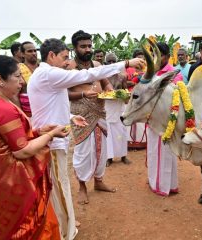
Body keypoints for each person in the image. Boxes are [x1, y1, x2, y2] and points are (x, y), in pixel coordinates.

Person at [28, 38, 144, 240]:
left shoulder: (46, 74)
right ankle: (66, 230)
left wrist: (71, 117)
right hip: (52, 141)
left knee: (57, 185)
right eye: (64, 58)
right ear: (51, 56)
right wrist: (125, 63)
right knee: (60, 185)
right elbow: (87, 75)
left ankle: (65, 219)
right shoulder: (48, 73)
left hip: (61, 131)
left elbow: (53, 106)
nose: (66, 62)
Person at [0, 55, 68, 240]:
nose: (22, 82)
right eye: (17, 76)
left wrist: (38, 131)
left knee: (8, 225)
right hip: (11, 181)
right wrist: (50, 135)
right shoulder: (0, 108)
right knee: (27, 227)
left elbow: (8, 139)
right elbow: (21, 150)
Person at [67, 31, 120, 207]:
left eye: (89, 45)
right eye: (83, 46)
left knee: (101, 149)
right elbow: (63, 93)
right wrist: (82, 93)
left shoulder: (97, 64)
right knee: (83, 152)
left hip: (100, 111)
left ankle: (98, 181)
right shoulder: (69, 67)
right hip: (81, 114)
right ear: (75, 48)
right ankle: (82, 186)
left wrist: (111, 90)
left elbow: (106, 83)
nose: (87, 49)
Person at [147, 42, 182, 196]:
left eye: (158, 55)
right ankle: (156, 181)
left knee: (167, 153)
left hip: (167, 121)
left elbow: (178, 98)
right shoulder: (150, 72)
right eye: (153, 55)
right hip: (152, 119)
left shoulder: (174, 74)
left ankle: (164, 185)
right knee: (154, 152)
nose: (155, 58)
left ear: (167, 57)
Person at [104, 53, 131, 167]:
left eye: (113, 61)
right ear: (105, 63)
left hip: (120, 107)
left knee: (122, 132)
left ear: (117, 63)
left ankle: (123, 156)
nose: (111, 64)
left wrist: (124, 96)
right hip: (108, 107)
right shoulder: (103, 77)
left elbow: (126, 93)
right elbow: (101, 92)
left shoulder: (122, 76)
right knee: (108, 134)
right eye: (109, 62)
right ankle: (109, 158)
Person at [18, 41, 39, 117]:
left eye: (35, 51)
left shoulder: (43, 68)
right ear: (22, 54)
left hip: (46, 110)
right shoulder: (18, 70)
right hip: (28, 114)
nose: (33, 53)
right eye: (30, 51)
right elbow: (14, 95)